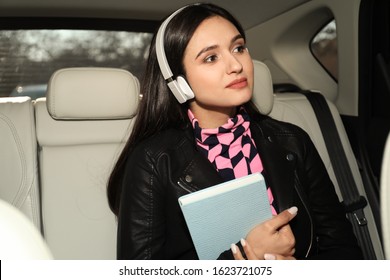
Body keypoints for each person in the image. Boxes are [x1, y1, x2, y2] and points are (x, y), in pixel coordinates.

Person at [107, 3, 363, 260]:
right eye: (211, 57)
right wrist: (241, 260)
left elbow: (340, 247)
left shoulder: (294, 141)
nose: (236, 65)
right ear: (178, 82)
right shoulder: (152, 160)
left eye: (238, 48)